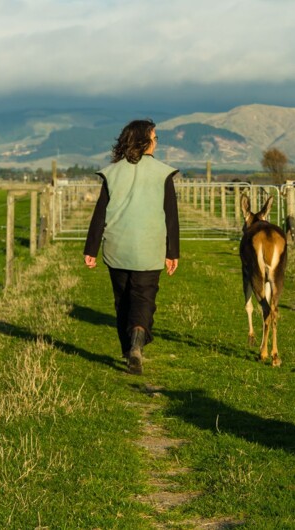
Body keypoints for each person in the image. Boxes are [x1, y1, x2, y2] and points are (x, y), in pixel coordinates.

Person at [83, 119, 180, 375]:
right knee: (144, 299)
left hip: (117, 247)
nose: (156, 142)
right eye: (154, 138)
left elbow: (100, 213)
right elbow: (171, 215)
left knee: (122, 301)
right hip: (149, 248)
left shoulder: (112, 172)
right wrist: (173, 252)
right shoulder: (163, 173)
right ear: (143, 140)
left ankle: (128, 350)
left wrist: (90, 249)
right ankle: (138, 342)